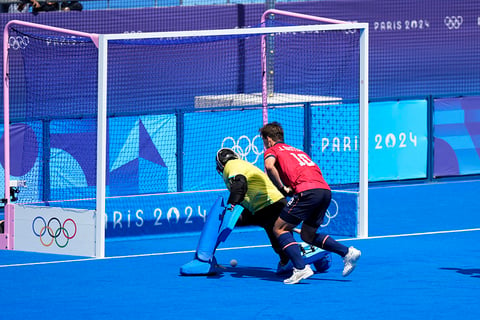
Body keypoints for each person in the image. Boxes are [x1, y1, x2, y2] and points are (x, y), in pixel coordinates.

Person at [259, 122, 361, 284]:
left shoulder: (273, 150)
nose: (264, 145)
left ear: (269, 139)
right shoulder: (297, 151)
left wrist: (282, 188)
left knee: (278, 228)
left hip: (307, 191)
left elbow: (269, 167)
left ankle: (300, 268)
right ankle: (347, 252)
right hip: (324, 191)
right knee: (308, 235)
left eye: (263, 141)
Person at [216, 148, 291, 272]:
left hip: (269, 205)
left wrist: (232, 203)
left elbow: (240, 183)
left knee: (279, 240)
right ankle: (291, 259)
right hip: (265, 206)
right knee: (281, 236)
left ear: (221, 164)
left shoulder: (231, 166)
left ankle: (295, 263)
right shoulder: (241, 164)